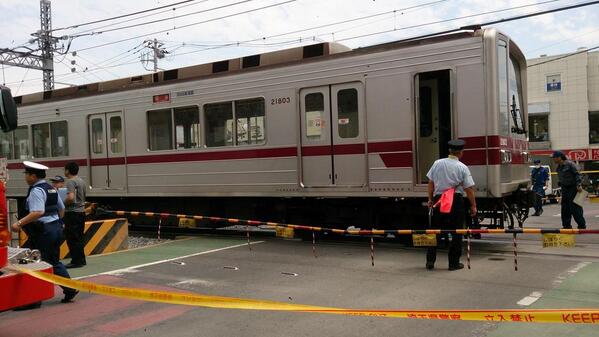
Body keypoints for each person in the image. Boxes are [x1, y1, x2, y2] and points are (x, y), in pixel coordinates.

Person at [11, 161, 78, 305]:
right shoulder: (51, 189)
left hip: (44, 232)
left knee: (33, 262)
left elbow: (38, 211)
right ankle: (70, 289)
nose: (25, 177)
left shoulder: (36, 191)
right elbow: (61, 208)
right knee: (49, 261)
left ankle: (34, 300)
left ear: (33, 176)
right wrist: (58, 223)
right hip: (54, 230)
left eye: (27, 174)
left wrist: (19, 223)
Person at [425, 139, 477, 271]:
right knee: (456, 233)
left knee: (434, 231)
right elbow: (469, 189)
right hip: (455, 201)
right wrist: (473, 205)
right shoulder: (462, 167)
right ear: (461, 153)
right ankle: (453, 263)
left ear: (449, 151)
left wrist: (430, 199)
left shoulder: (437, 163)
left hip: (439, 199)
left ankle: (430, 261)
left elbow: (430, 183)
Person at [552, 151, 586, 229]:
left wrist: (579, 184)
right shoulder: (559, 167)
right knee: (565, 208)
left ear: (559, 157)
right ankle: (566, 226)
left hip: (573, 188)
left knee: (575, 208)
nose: (553, 159)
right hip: (565, 189)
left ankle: (581, 225)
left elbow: (578, 174)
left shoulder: (570, 164)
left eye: (554, 157)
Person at [63, 161, 88, 268]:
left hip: (72, 213)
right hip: (81, 212)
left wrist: (62, 203)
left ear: (68, 170)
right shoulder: (81, 181)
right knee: (79, 237)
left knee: (72, 238)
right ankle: (81, 260)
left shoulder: (70, 182)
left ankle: (76, 261)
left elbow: (71, 197)